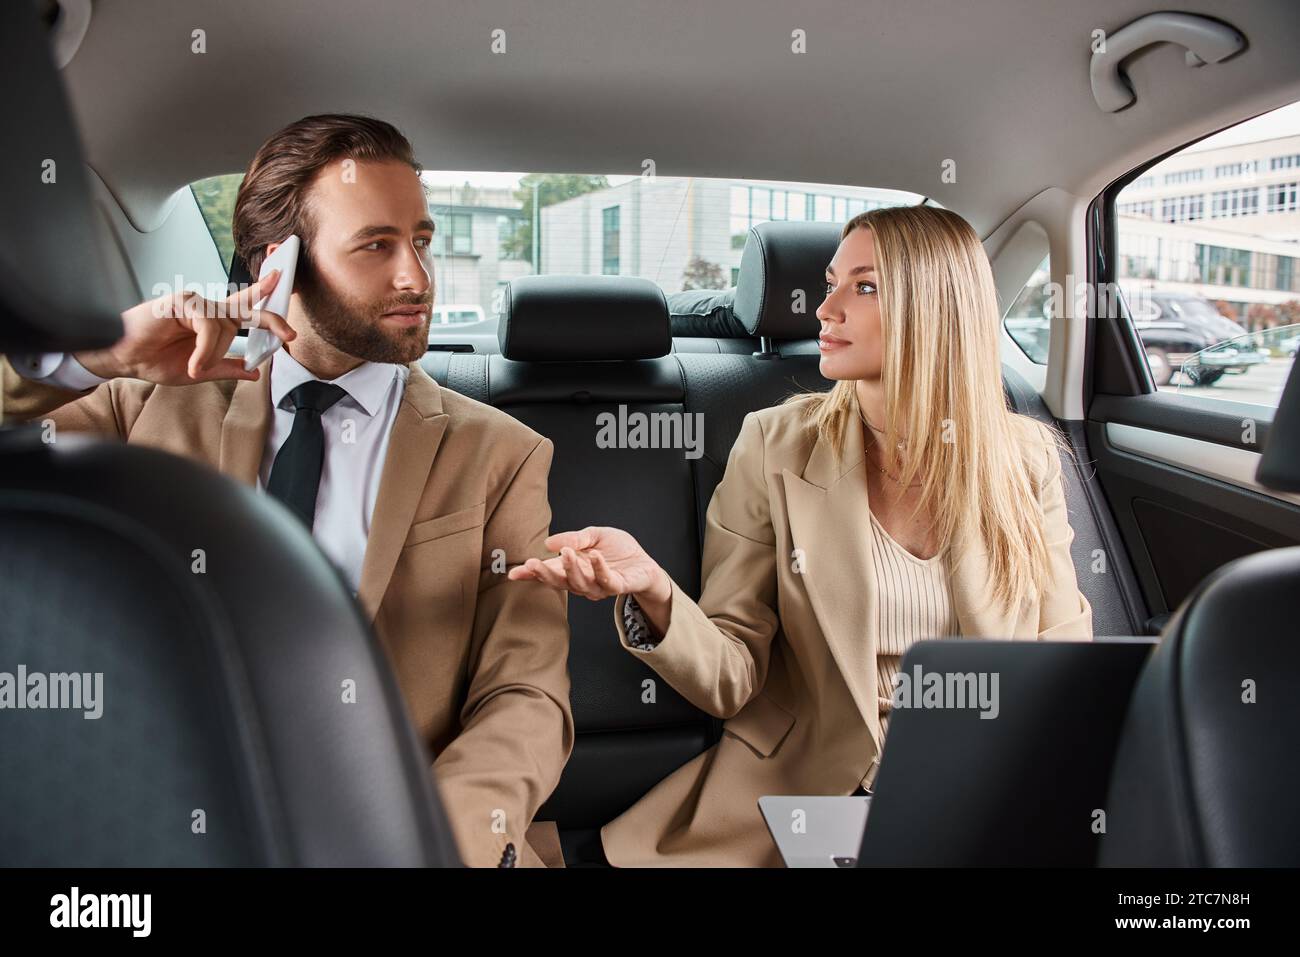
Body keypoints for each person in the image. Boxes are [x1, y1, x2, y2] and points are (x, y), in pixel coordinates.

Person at [2, 114, 573, 868]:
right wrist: (97, 355)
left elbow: (526, 697)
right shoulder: (140, 405)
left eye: (423, 241)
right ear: (281, 261)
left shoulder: (500, 453)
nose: (417, 277)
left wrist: (427, 841)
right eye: (377, 245)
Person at [510, 204, 1093, 866]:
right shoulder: (775, 443)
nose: (825, 308)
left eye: (863, 286)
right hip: (808, 801)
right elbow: (733, 677)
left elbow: (1062, 665)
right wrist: (652, 588)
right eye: (829, 281)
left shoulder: (1026, 459)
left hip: (979, 794)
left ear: (938, 308)